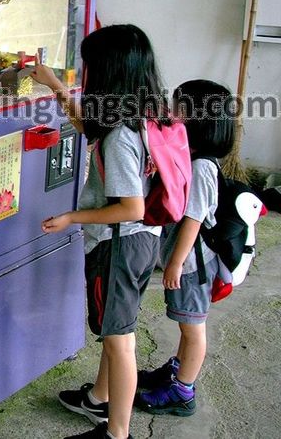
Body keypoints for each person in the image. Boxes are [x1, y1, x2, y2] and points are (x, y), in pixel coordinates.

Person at [33, 24, 169, 439]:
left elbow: (130, 206)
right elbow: (90, 128)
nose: (83, 73)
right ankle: (98, 398)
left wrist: (72, 218)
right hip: (143, 241)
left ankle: (117, 433)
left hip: (120, 245)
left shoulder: (120, 139)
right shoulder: (143, 114)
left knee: (120, 341)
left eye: (87, 67)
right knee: (117, 328)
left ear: (106, 73)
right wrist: (56, 84)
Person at [134, 79, 235, 416]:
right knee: (185, 324)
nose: (172, 111)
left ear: (198, 118)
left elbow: (192, 220)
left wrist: (175, 264)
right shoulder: (189, 154)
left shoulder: (203, 166)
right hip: (187, 259)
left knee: (192, 327)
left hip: (193, 264)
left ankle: (183, 390)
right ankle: (178, 368)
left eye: (179, 106)